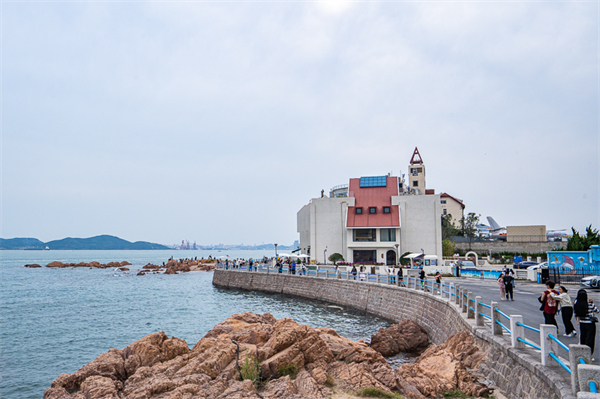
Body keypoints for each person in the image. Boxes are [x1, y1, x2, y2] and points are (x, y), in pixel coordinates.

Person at [575, 289, 599, 358]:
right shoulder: (590, 304)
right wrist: (592, 302)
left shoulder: (577, 304)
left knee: (583, 338)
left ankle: (582, 353)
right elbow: (597, 311)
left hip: (582, 323)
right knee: (590, 339)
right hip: (590, 323)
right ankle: (589, 354)